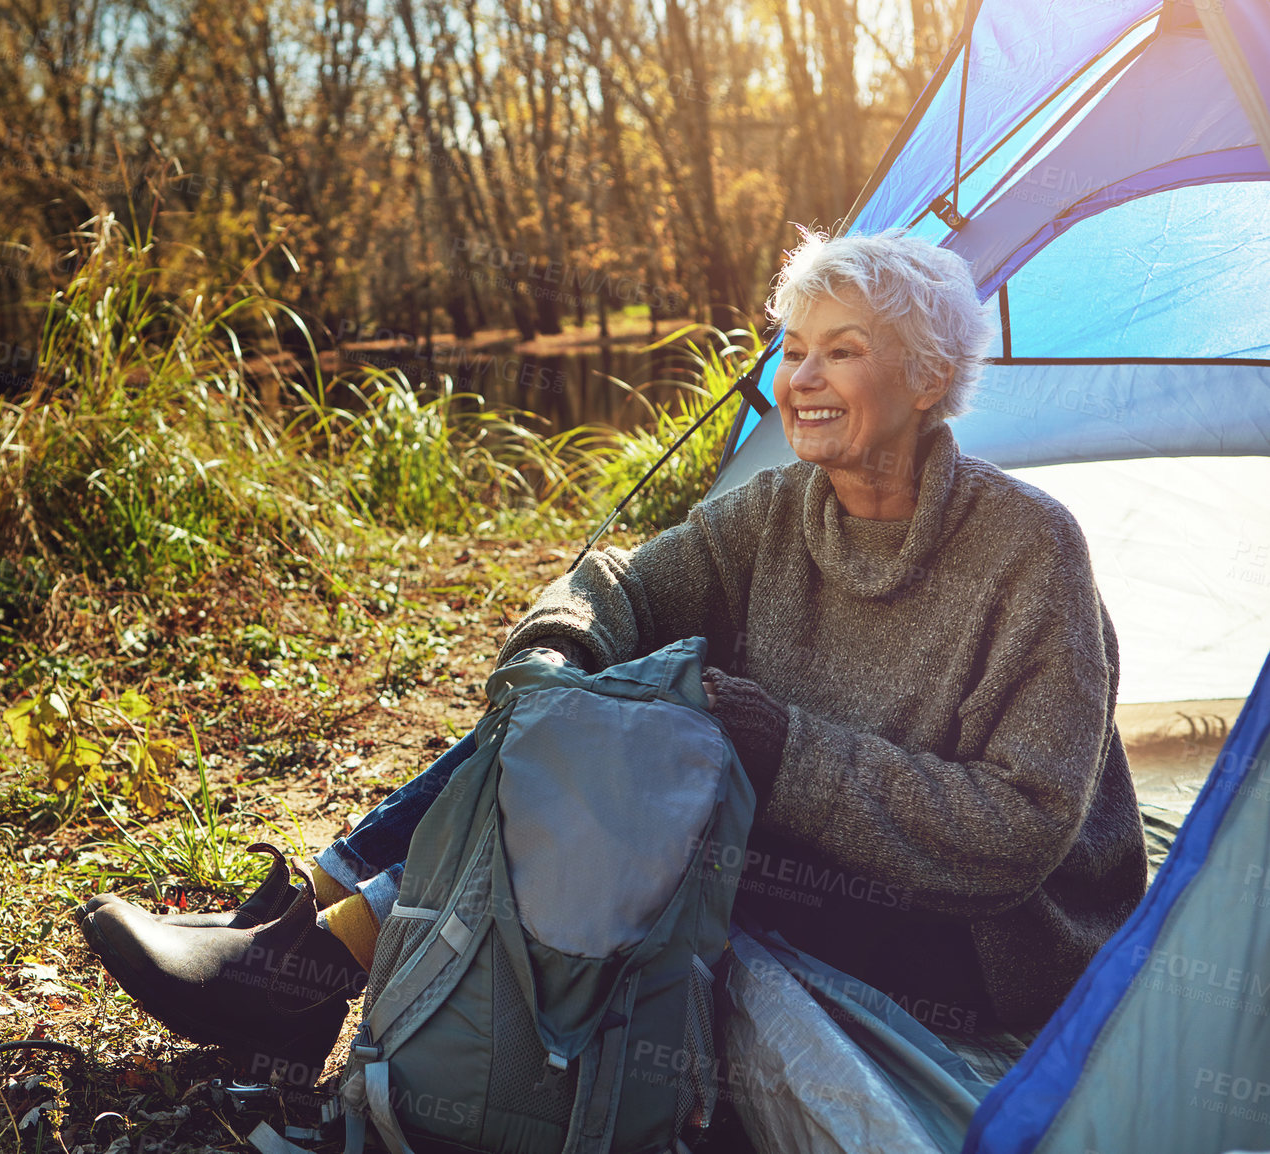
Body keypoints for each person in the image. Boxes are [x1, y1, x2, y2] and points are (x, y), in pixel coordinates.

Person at [76, 228, 1148, 1086]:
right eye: (795, 347)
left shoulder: (1026, 551)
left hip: (989, 939)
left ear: (926, 378)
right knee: (579, 700)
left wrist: (788, 753)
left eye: (844, 349)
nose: (801, 378)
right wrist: (554, 645)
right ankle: (305, 922)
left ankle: (308, 966)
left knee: (655, 796)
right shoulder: (780, 510)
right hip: (825, 852)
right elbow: (627, 583)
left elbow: (1015, 834)